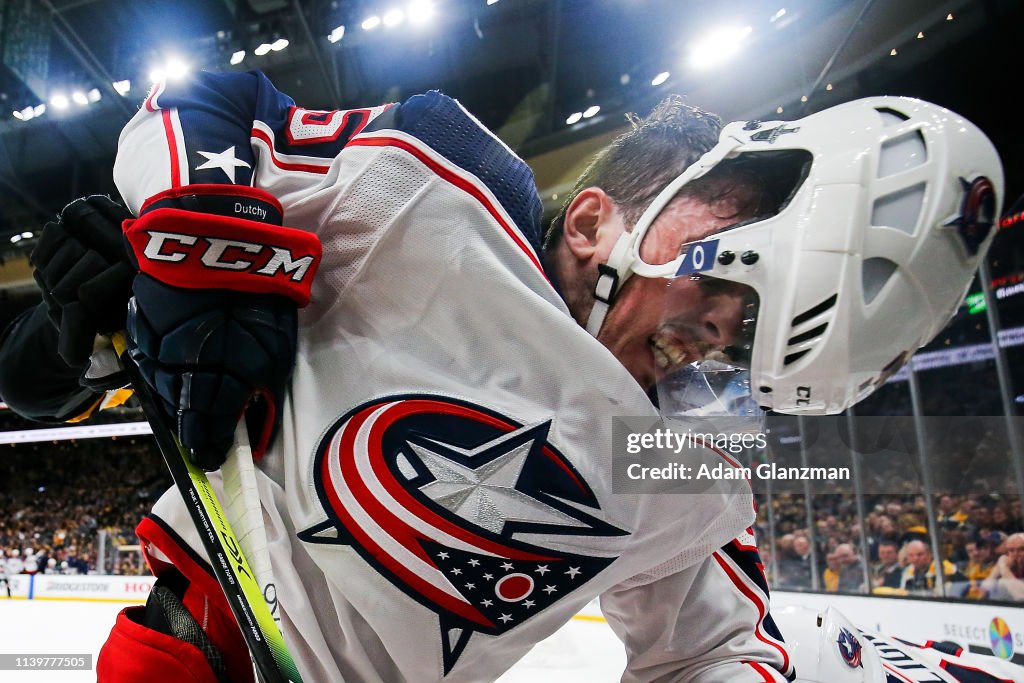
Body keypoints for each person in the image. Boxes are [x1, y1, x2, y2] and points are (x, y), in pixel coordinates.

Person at [0, 69, 1002, 682]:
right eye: (723, 292)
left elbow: (712, 648)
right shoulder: (441, 190)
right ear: (591, 218)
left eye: (742, 341)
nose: (714, 338)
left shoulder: (677, 453)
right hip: (189, 648)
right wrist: (200, 223)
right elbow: (211, 102)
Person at [900, 540, 967, 597]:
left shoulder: (943, 567)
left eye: (920, 554)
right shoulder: (908, 571)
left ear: (929, 555)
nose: (915, 558)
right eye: (911, 555)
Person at [981, 532, 1024, 601]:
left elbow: (1021, 597)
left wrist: (1004, 567)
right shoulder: (1006, 562)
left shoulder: (1004, 565)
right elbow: (985, 589)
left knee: (1002, 583)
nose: (1016, 554)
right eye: (1011, 550)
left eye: (1022, 549)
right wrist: (1000, 566)